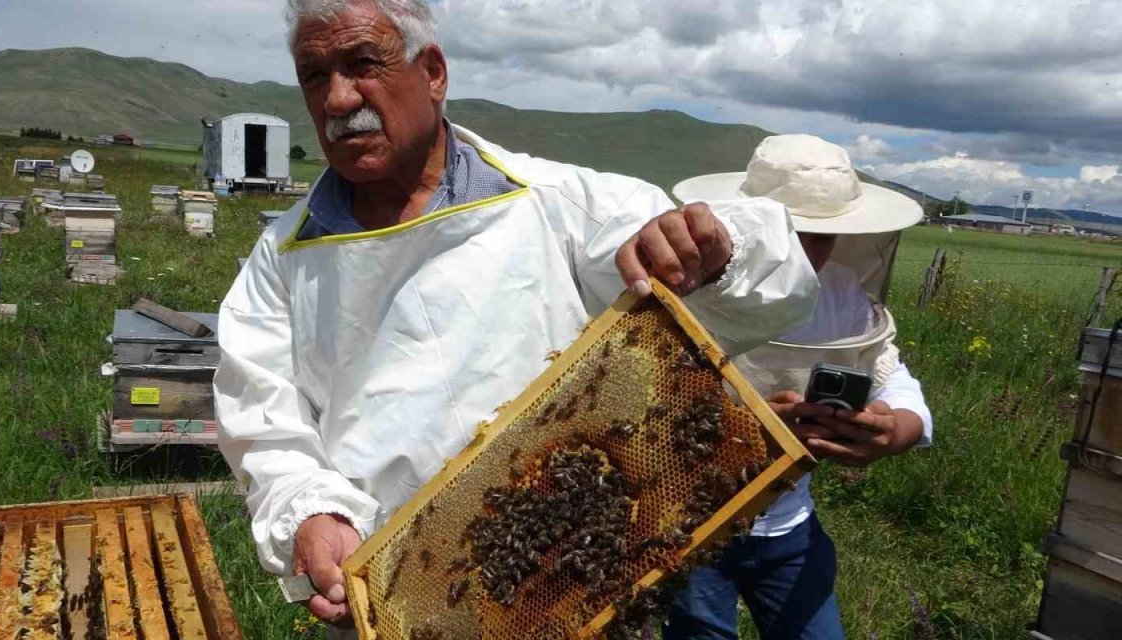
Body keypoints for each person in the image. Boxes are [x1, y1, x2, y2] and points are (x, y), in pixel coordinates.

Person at [213, 0, 819, 634]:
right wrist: (313, 515)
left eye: (363, 63)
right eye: (315, 75)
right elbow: (264, 426)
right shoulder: (279, 262)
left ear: (435, 73)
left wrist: (714, 249)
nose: (338, 101)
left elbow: (767, 284)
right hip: (404, 608)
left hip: (580, 594)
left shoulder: (562, 206)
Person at [665, 134, 935, 640]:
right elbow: (638, 408)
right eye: (795, 233)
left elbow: (889, 373)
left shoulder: (843, 294)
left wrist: (899, 427)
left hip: (789, 528)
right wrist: (745, 429)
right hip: (690, 523)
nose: (809, 252)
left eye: (823, 235)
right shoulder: (691, 285)